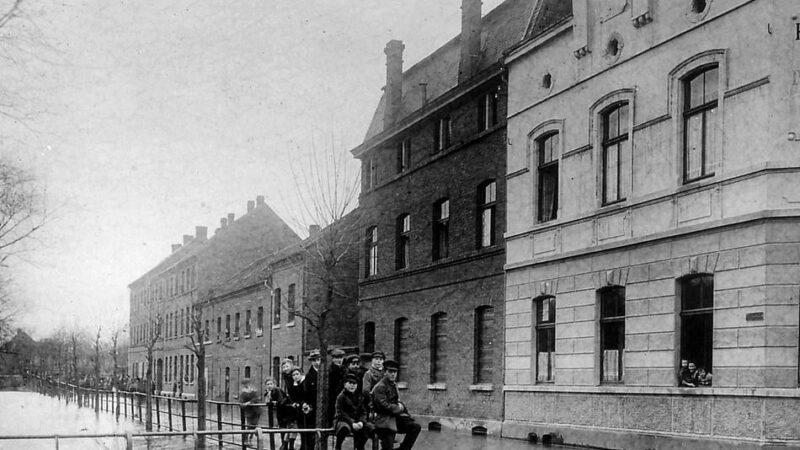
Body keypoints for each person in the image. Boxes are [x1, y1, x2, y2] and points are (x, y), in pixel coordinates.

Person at [371, 360, 420, 450]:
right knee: (388, 447)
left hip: (395, 419)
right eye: (390, 372)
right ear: (385, 372)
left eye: (395, 372)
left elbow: (397, 400)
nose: (393, 374)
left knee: (415, 427)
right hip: (384, 421)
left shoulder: (393, 385)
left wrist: (403, 408)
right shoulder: (380, 387)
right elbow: (384, 405)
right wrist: (398, 408)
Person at [334, 373, 374, 450]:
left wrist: (361, 422)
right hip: (343, 420)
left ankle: (360, 446)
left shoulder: (359, 397)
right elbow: (340, 412)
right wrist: (352, 423)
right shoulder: (341, 397)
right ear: (345, 385)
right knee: (344, 428)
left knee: (370, 428)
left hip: (357, 421)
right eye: (350, 383)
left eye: (354, 383)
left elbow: (363, 411)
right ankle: (338, 446)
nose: (352, 385)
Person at [265, 377, 297, 450]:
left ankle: (288, 446)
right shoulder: (269, 392)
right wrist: (270, 398)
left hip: (288, 411)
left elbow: (281, 401)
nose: (269, 386)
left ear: (275, 384)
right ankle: (285, 446)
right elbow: (267, 402)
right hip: (281, 413)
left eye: (271, 384)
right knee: (283, 429)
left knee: (290, 429)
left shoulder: (277, 390)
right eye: (267, 384)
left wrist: (274, 402)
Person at [301, 350, 321, 450]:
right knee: (311, 434)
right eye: (316, 360)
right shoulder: (309, 377)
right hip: (312, 409)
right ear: (312, 362)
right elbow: (305, 394)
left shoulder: (324, 374)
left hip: (322, 409)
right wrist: (306, 404)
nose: (318, 362)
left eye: (319, 360)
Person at [287, 367, 309, 450]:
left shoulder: (305, 383)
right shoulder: (294, 385)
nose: (295, 376)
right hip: (299, 410)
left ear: (301, 374)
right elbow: (294, 397)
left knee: (307, 430)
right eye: (293, 375)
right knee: (301, 429)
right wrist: (295, 403)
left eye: (297, 374)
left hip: (307, 408)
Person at [239, 378, 261, 445]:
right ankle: (246, 439)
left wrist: (249, 402)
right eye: (245, 383)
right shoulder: (242, 392)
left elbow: (256, 398)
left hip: (256, 410)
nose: (247, 384)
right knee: (249, 425)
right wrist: (245, 404)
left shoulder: (253, 390)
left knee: (254, 425)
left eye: (248, 383)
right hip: (249, 411)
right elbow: (241, 402)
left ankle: (250, 439)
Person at [328, 348, 346, 424]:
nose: (339, 360)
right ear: (332, 359)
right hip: (333, 397)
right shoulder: (330, 370)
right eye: (337, 358)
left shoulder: (344, 369)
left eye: (341, 358)